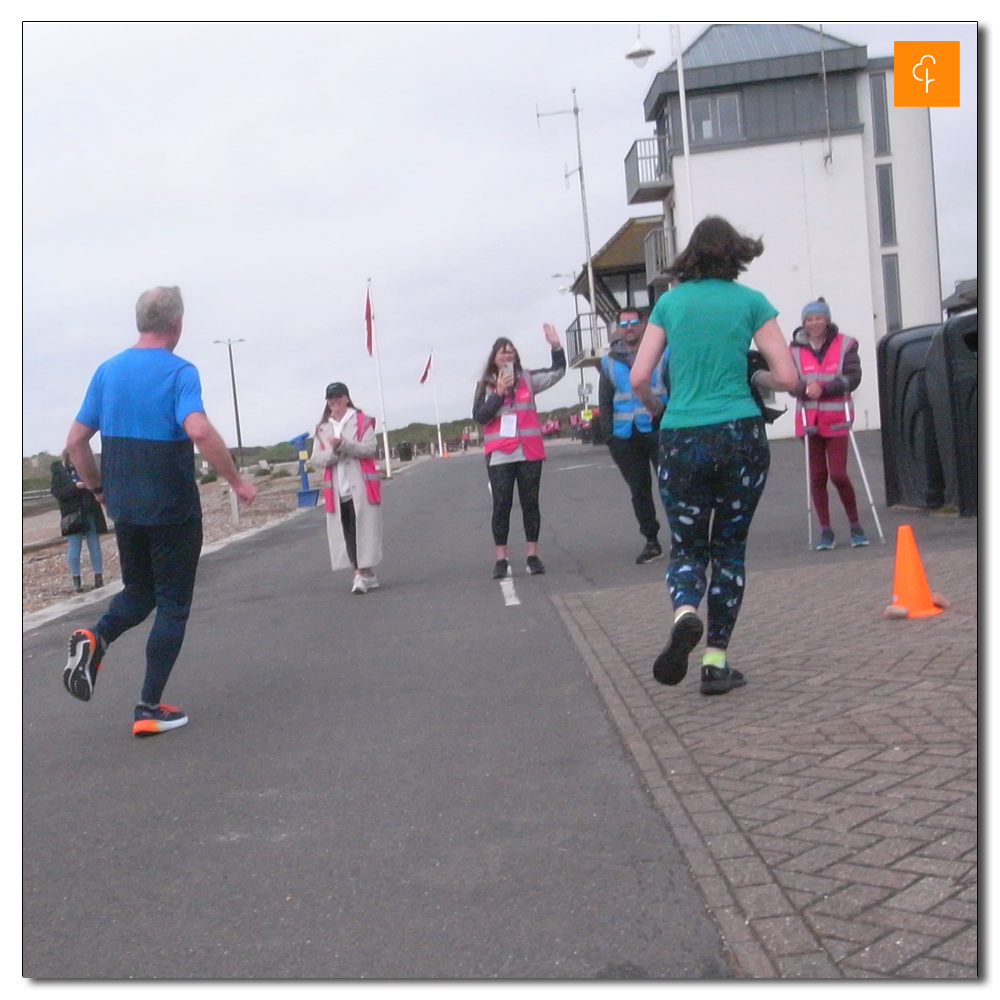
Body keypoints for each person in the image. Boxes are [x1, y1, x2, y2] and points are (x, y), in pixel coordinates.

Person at [62, 286, 258, 737]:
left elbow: (75, 442)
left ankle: (97, 638)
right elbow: (200, 430)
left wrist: (97, 489)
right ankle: (148, 706)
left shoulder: (106, 372)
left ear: (140, 321)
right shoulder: (179, 372)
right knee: (172, 604)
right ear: (178, 324)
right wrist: (236, 480)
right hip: (171, 505)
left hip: (126, 506)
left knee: (139, 592)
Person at [630, 216, 798, 696]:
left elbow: (641, 376)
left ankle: (685, 612)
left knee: (686, 545)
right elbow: (786, 377)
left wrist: (659, 409)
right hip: (740, 437)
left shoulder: (670, 303)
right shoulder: (751, 303)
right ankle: (716, 662)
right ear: (736, 254)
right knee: (728, 549)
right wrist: (755, 379)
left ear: (690, 255)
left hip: (683, 436)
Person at [472, 323, 565, 579]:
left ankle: (532, 555)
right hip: (501, 453)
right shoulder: (486, 385)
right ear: (494, 358)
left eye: (510, 351)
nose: (507, 355)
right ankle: (501, 559)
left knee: (530, 504)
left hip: (529, 452)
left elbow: (557, 372)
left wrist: (556, 346)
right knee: (501, 505)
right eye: (502, 352)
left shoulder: (528, 378)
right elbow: (480, 416)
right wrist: (499, 394)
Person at [790, 298, 869, 551]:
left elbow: (853, 377)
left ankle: (855, 525)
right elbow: (789, 382)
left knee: (838, 473)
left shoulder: (845, 343)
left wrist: (822, 389)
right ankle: (826, 530)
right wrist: (804, 388)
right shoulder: (792, 350)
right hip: (808, 421)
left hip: (836, 420)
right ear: (803, 323)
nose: (814, 323)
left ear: (827, 320)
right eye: (809, 319)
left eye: (818, 318)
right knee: (817, 477)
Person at [599, 307, 669, 565]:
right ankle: (651, 541)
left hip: (659, 430)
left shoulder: (663, 353)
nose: (629, 327)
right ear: (618, 328)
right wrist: (611, 439)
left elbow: (673, 388)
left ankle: (685, 539)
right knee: (639, 491)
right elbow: (605, 402)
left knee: (671, 486)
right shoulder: (608, 362)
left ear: (644, 324)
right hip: (625, 436)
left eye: (634, 322)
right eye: (624, 323)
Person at [311, 382, 383, 594]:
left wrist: (344, 445)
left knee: (364, 530)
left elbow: (369, 448)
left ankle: (361, 574)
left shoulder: (361, 421)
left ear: (347, 398)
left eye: (338, 397)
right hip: (336, 488)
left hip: (361, 485)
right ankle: (363, 573)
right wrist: (335, 452)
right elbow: (317, 457)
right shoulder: (322, 428)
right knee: (347, 531)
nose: (335, 401)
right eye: (331, 398)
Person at [50, 451, 108, 592]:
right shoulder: (59, 473)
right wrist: (76, 487)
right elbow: (58, 493)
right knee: (74, 547)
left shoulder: (86, 470)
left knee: (94, 544)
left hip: (89, 512)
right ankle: (76, 580)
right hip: (72, 516)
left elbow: (98, 486)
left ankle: (98, 577)